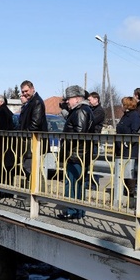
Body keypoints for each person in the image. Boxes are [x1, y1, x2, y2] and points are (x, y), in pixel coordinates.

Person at [58, 85, 94, 219]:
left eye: (69, 98)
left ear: (77, 98)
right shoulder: (81, 110)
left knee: (72, 183)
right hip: (78, 153)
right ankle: (78, 211)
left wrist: (66, 139)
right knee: (77, 183)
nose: (67, 101)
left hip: (76, 154)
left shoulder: (81, 111)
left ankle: (72, 211)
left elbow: (80, 132)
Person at [18, 80, 48, 181]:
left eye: (26, 91)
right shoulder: (31, 102)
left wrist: (25, 133)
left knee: (30, 167)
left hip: (33, 140)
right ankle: (33, 189)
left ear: (32, 89)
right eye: (23, 92)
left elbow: (35, 123)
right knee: (28, 166)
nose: (24, 93)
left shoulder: (37, 102)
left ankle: (37, 191)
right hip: (29, 139)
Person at [116, 96, 140, 200]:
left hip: (130, 150)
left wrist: (127, 142)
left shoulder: (135, 116)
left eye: (123, 104)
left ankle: (130, 195)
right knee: (123, 173)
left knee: (130, 174)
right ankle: (124, 193)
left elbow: (135, 131)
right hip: (122, 149)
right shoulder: (126, 115)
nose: (121, 106)